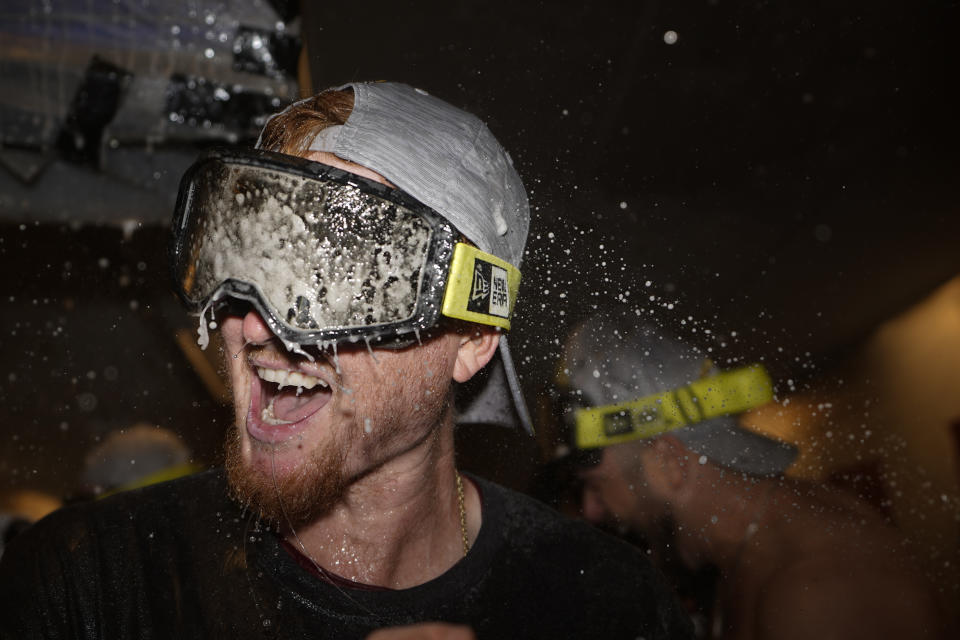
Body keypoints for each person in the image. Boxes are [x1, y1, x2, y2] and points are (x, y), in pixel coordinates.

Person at [0, 83, 692, 639]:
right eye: (254, 253)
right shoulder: (90, 583)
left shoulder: (606, 606)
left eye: (351, 276)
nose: (265, 321)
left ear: (475, 338)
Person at [554, 312, 947, 640]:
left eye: (596, 485)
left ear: (669, 461)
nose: (590, 510)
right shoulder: (746, 551)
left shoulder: (818, 595)